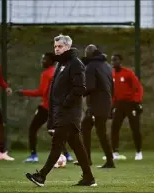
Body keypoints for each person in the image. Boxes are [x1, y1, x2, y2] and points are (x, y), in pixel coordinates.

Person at [25, 35, 96, 187]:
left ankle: (41, 176)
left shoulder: (75, 64)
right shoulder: (61, 64)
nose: (57, 49)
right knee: (77, 145)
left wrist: (65, 103)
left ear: (67, 47)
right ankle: (89, 178)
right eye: (55, 46)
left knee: (57, 143)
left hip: (68, 113)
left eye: (60, 47)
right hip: (61, 112)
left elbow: (80, 88)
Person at [15, 52, 73, 163]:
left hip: (46, 107)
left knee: (33, 129)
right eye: (42, 59)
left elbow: (41, 92)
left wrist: (23, 92)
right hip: (57, 107)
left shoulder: (47, 74)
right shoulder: (58, 72)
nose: (42, 61)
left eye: (45, 59)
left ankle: (33, 155)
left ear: (51, 61)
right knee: (54, 131)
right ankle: (67, 154)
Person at [74, 45, 115, 168]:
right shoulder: (107, 66)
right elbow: (112, 86)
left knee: (98, 131)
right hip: (105, 102)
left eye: (86, 53)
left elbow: (90, 87)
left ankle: (108, 161)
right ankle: (90, 159)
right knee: (87, 128)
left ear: (89, 54)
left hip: (97, 104)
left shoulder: (91, 66)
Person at [110, 54, 144, 160]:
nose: (113, 62)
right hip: (119, 105)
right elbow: (113, 91)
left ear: (120, 61)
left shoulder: (128, 73)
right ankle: (115, 152)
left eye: (115, 60)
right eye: (112, 61)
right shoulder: (112, 75)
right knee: (114, 127)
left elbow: (138, 88)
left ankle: (138, 152)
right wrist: (113, 105)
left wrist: (136, 101)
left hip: (130, 104)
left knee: (135, 128)